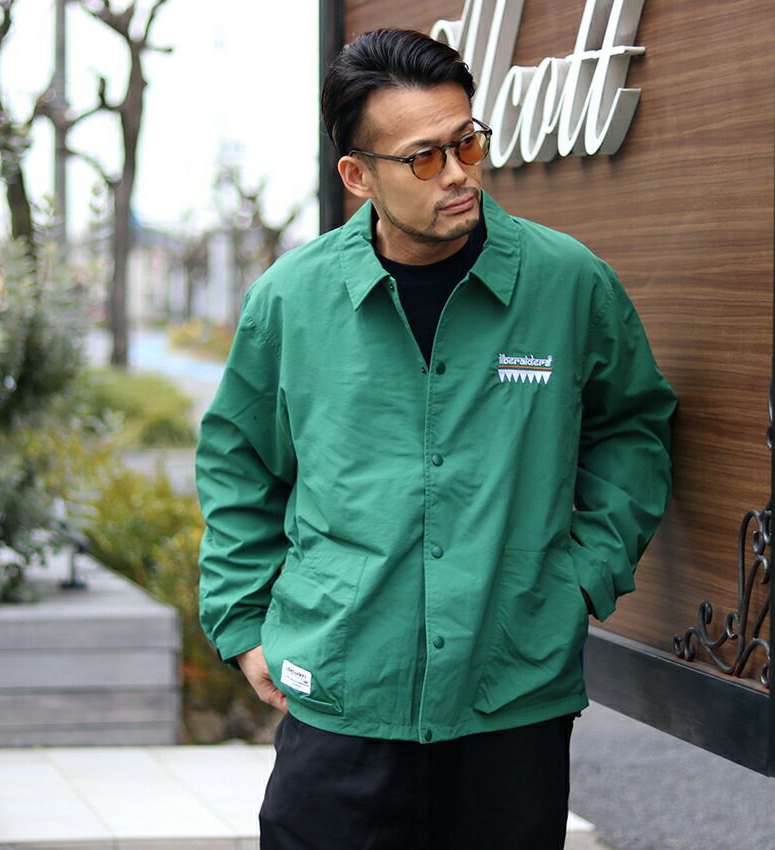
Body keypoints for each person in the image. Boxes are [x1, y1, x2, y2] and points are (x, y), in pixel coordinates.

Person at [196, 27, 677, 850]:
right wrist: (243, 623)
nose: (457, 174)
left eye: (467, 143)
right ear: (357, 176)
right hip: (341, 688)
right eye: (424, 158)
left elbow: (633, 429)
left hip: (510, 694)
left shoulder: (567, 282)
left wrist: (581, 576)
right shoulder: (291, 301)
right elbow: (239, 465)